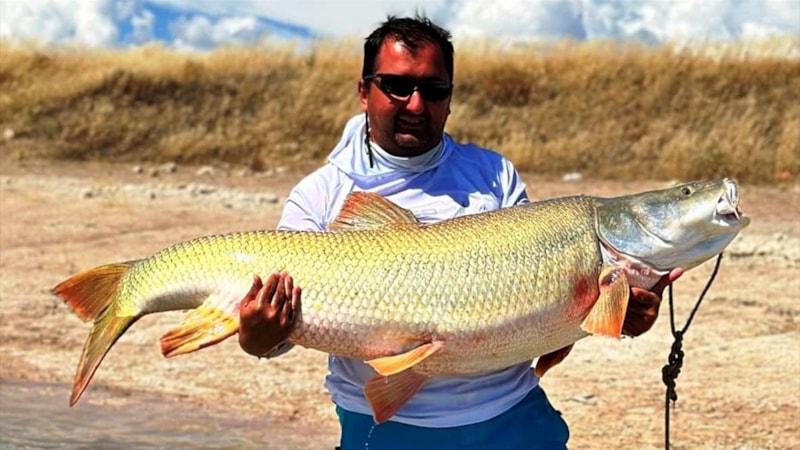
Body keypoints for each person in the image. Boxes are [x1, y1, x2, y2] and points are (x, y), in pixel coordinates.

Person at [237, 15, 681, 450]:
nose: (416, 105)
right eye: (396, 86)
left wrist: (621, 316)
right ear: (364, 91)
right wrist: (259, 339)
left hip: (510, 414)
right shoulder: (320, 195)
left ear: (449, 98)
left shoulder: (493, 175)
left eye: (434, 90)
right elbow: (275, 333)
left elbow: (549, 307)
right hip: (383, 425)